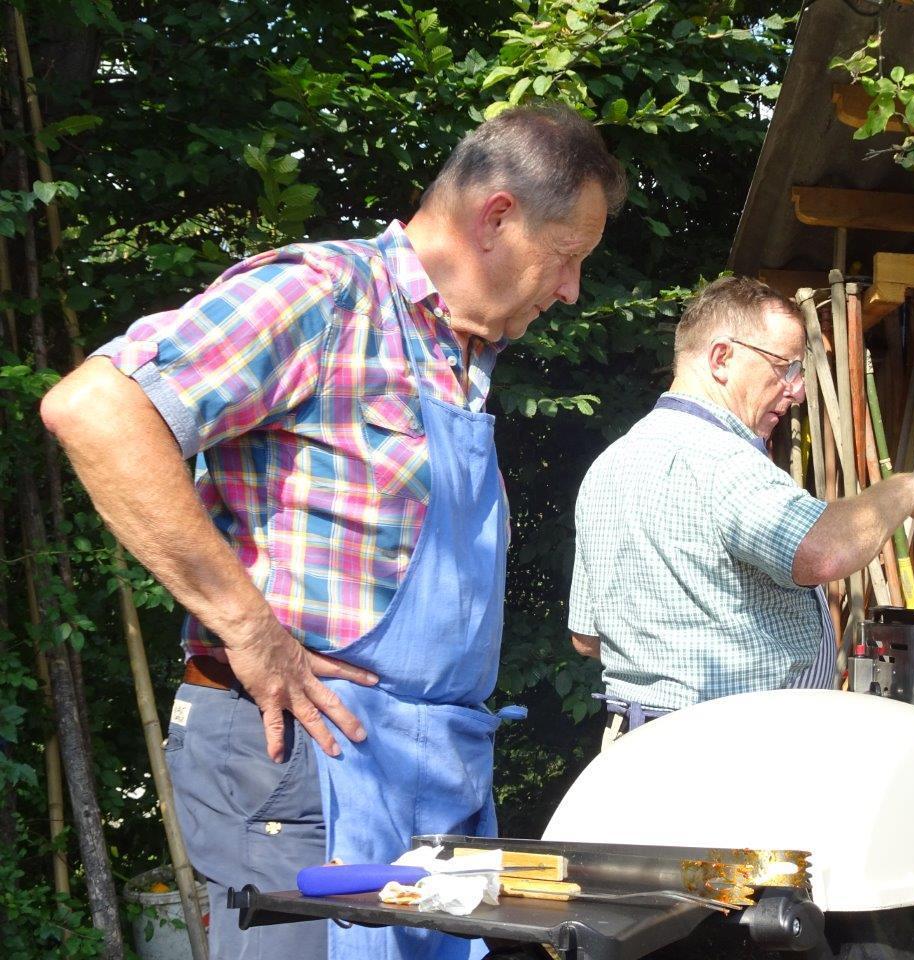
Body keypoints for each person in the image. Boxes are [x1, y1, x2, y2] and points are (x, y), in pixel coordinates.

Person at [41, 104, 626, 960]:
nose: (570, 288)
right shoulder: (326, 295)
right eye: (567, 255)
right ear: (497, 216)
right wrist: (248, 628)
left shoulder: (458, 356)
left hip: (425, 773)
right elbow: (96, 409)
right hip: (300, 760)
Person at [568, 276, 914, 748]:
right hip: (726, 753)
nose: (798, 391)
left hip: (635, 748)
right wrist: (910, 488)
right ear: (721, 358)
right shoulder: (723, 459)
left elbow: (588, 639)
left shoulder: (609, 465)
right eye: (786, 367)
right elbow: (823, 552)